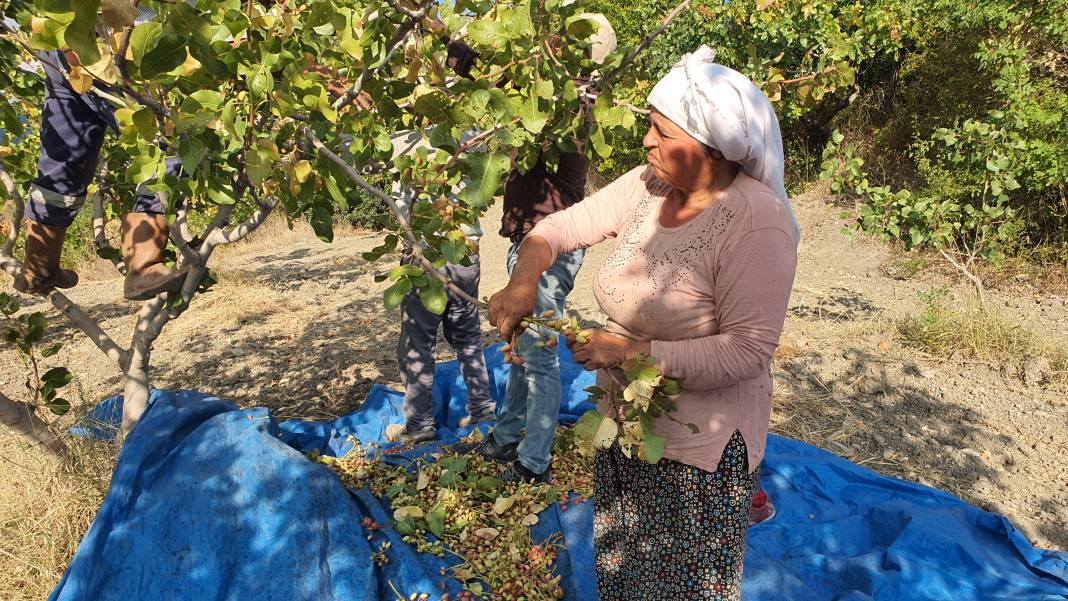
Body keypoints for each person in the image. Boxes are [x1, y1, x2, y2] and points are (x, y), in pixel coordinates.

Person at [488, 45, 799, 599]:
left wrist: (629, 353)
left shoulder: (757, 222)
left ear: (714, 150)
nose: (647, 142)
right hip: (626, 428)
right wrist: (524, 280)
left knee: (679, 584)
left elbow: (749, 351)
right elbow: (556, 229)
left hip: (697, 451)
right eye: (649, 127)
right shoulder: (648, 186)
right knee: (622, 569)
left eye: (663, 133)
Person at [459, 15, 618, 484]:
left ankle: (534, 460)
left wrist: (478, 61)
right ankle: (509, 435)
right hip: (531, 244)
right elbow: (495, 79)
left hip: (551, 247)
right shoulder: (552, 92)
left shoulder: (572, 100)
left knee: (540, 355)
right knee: (524, 347)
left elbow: (505, 85)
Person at [12, 17, 187, 300]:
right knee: (171, 142)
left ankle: (38, 267)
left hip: (62, 35)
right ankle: (143, 265)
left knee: (65, 159)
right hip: (122, 41)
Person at [385, 40, 494, 445]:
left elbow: (350, 145)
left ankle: (420, 425)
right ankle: (483, 410)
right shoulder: (472, 131)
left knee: (417, 344)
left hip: (424, 253)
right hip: (467, 249)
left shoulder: (404, 136)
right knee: (467, 336)